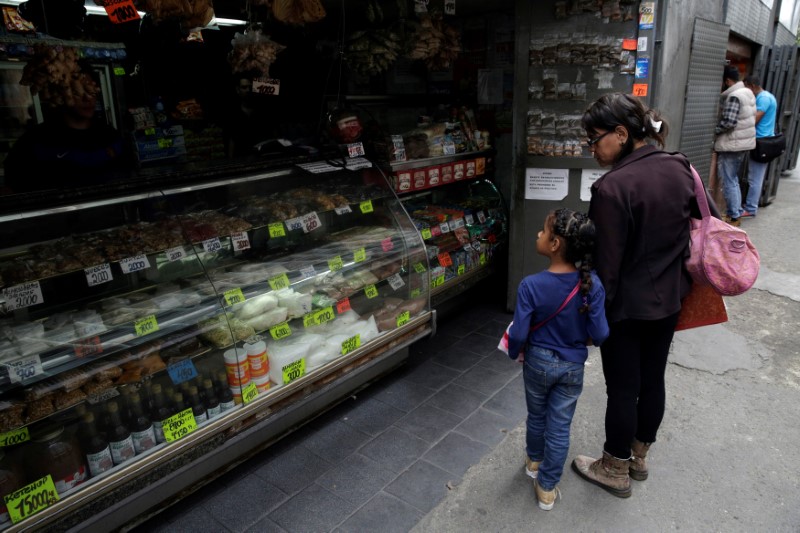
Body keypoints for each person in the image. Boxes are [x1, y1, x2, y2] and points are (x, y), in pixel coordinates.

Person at [571, 93, 718, 498]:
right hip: (670, 299)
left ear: (621, 133)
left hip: (626, 308)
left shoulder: (612, 187)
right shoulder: (681, 167)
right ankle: (638, 456)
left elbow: (607, 267)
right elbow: (709, 220)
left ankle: (614, 467)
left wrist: (590, 317)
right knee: (653, 379)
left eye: (595, 138)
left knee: (622, 387)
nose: (593, 148)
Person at [506, 208, 609, 511]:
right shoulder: (593, 286)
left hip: (536, 362)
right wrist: (580, 339)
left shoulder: (530, 285)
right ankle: (547, 488)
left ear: (554, 245)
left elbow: (520, 333)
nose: (538, 234)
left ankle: (533, 461)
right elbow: (601, 333)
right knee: (560, 427)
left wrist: (514, 352)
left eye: (542, 231)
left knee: (536, 416)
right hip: (572, 366)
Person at [3, 66, 129, 194]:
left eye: (92, 92)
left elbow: (128, 177)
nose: (88, 99)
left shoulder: (109, 135)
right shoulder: (35, 140)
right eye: (77, 93)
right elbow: (13, 189)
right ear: (61, 95)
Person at [713, 65, 756, 227]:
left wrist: (715, 131)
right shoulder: (748, 92)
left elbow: (729, 122)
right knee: (734, 179)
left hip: (733, 144)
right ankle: (736, 211)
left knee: (729, 180)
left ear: (727, 81)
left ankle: (733, 215)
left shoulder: (734, 96)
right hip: (744, 143)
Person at [742, 75, 777, 217]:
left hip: (761, 141)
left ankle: (750, 208)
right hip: (764, 140)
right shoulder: (768, 96)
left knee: (754, 177)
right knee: (756, 175)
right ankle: (751, 205)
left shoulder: (763, 98)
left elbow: (755, 119)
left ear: (752, 86)